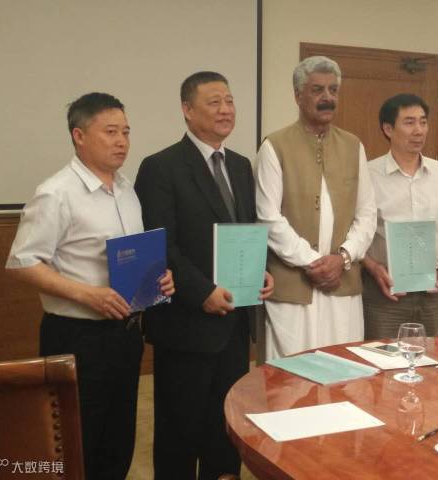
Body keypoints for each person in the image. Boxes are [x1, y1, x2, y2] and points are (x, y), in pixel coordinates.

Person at [5, 92, 175, 480]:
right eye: (110, 132)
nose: (122, 141)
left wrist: (159, 277)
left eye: (126, 132)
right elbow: (22, 262)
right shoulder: (56, 193)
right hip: (77, 337)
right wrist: (87, 294)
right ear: (79, 136)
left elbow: (134, 256)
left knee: (118, 442)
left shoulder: (127, 190)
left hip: (125, 334)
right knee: (78, 444)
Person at [134, 71, 273, 480]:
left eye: (229, 101)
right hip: (186, 323)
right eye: (214, 102)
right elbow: (162, 245)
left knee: (225, 427)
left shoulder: (241, 166)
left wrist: (260, 269)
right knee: (179, 432)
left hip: (234, 321)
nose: (225, 110)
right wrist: (202, 293)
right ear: (187, 110)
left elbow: (245, 231)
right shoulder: (160, 167)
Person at [256, 56, 376, 360]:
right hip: (294, 287)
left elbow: (367, 214)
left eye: (333, 90)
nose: (327, 98)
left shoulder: (353, 145)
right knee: (290, 376)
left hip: (343, 283)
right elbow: (268, 218)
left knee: (345, 370)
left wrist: (343, 258)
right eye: (317, 90)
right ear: (298, 95)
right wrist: (314, 263)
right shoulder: (275, 146)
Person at [362, 94, 438, 338]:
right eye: (409, 122)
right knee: (382, 355)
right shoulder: (368, 174)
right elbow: (353, 232)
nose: (419, 130)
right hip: (385, 290)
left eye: (423, 122)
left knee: (431, 354)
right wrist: (373, 268)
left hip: (432, 290)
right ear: (388, 129)